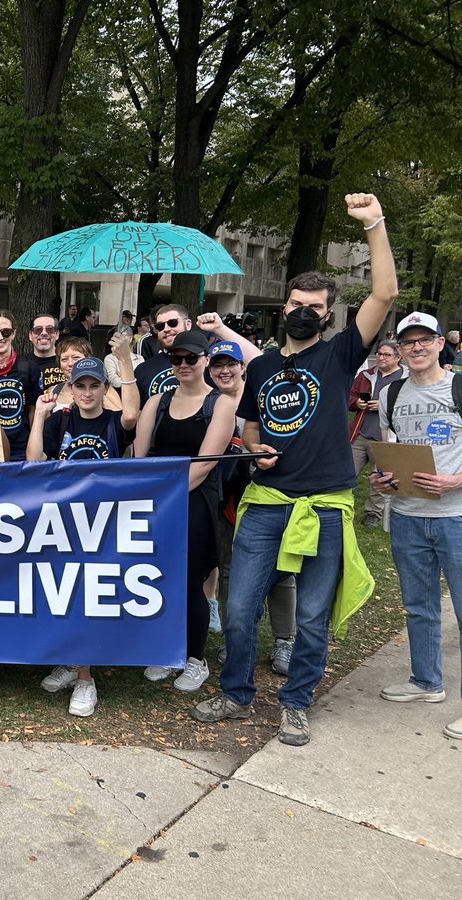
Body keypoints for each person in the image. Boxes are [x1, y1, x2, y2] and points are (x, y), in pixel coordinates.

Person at [194, 193, 397, 747]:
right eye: (295, 302)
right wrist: (256, 449)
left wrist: (373, 225)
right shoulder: (259, 366)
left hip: (325, 506)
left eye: (314, 305)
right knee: (238, 610)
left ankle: (296, 703)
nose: (303, 311)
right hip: (265, 503)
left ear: (328, 313)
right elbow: (254, 427)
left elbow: (384, 293)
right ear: (283, 306)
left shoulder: (340, 354)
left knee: (310, 617)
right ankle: (235, 694)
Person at [26, 342, 139, 716]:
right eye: (81, 386)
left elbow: (133, 413)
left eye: (94, 386)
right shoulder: (61, 421)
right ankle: (73, 664)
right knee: (63, 597)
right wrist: (40, 416)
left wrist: (124, 363)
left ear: (104, 390)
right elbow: (35, 460)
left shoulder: (113, 422)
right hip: (62, 522)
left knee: (89, 600)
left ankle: (86, 680)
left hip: (102, 523)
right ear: (70, 389)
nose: (88, 393)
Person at [372, 312, 462, 741]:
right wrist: (381, 479)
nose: (417, 348)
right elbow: (389, 453)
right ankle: (427, 682)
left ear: (441, 343)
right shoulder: (390, 393)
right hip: (407, 516)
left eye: (425, 339)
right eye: (409, 342)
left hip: (457, 516)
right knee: (419, 605)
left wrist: (455, 480)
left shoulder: (459, 387)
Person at [134, 330, 235, 693]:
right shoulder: (157, 402)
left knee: (189, 578)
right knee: (155, 576)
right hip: (154, 501)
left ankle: (195, 658)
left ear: (205, 360)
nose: (183, 366)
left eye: (190, 358)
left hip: (194, 500)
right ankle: (166, 649)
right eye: (176, 359)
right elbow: (139, 455)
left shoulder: (220, 404)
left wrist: (166, 494)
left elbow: (206, 463)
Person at [203, 338, 297, 675]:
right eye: (217, 365)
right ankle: (235, 639)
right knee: (229, 569)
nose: (224, 371)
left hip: (268, 496)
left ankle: (285, 641)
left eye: (230, 364)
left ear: (243, 367)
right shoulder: (209, 403)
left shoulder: (261, 401)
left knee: (282, 571)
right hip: (228, 501)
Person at [349, 340, 405, 527]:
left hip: (386, 436)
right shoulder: (366, 375)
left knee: (380, 477)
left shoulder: (406, 377)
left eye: (386, 355)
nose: (381, 357)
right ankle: (340, 506)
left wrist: (383, 406)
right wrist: (357, 403)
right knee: (346, 472)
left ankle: (373, 513)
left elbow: (409, 405)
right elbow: (349, 396)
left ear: (398, 357)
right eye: (379, 353)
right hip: (360, 433)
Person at [0, 308, 36, 460]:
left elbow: (33, 409)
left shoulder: (28, 367)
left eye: (5, 332)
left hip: (21, 451)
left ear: (14, 333)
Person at [24, 314, 62, 394]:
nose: (44, 333)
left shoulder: (68, 362)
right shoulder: (21, 364)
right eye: (38, 329)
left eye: (50, 329)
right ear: (30, 335)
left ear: (57, 334)